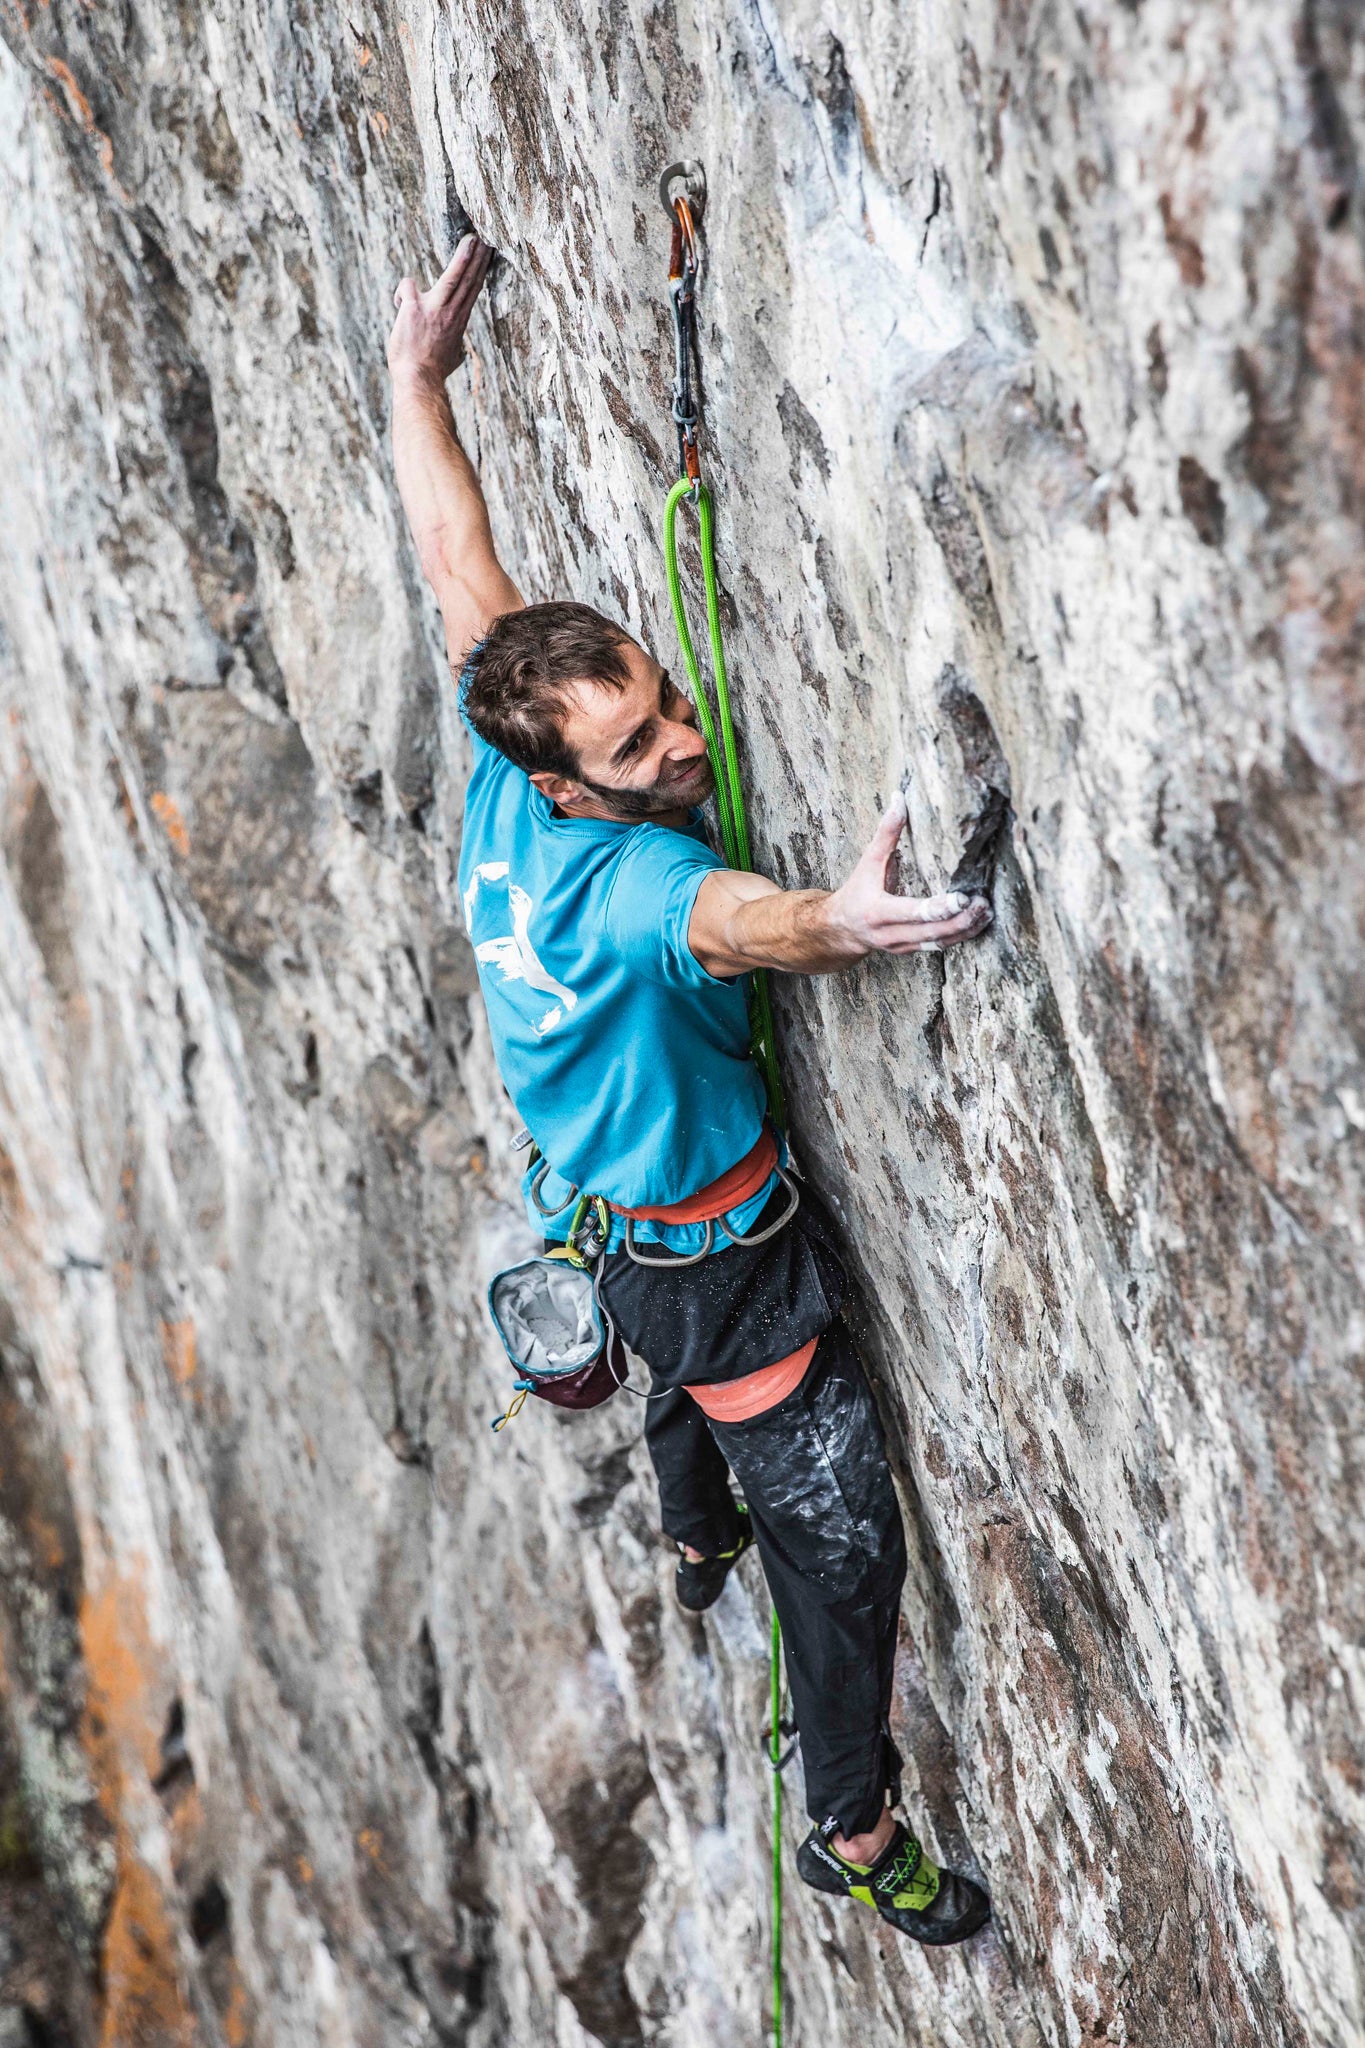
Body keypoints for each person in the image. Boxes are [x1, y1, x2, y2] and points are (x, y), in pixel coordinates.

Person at [388, 236, 993, 1946]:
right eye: (641, 748)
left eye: (660, 700)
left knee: (686, 1415)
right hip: (715, 1267)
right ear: (567, 786)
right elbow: (751, 921)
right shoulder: (641, 886)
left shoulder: (508, 746)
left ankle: (683, 1525)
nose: (684, 748)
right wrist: (852, 922)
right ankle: (856, 1827)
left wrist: (417, 380)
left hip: (598, 1191)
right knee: (843, 1538)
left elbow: (453, 555)